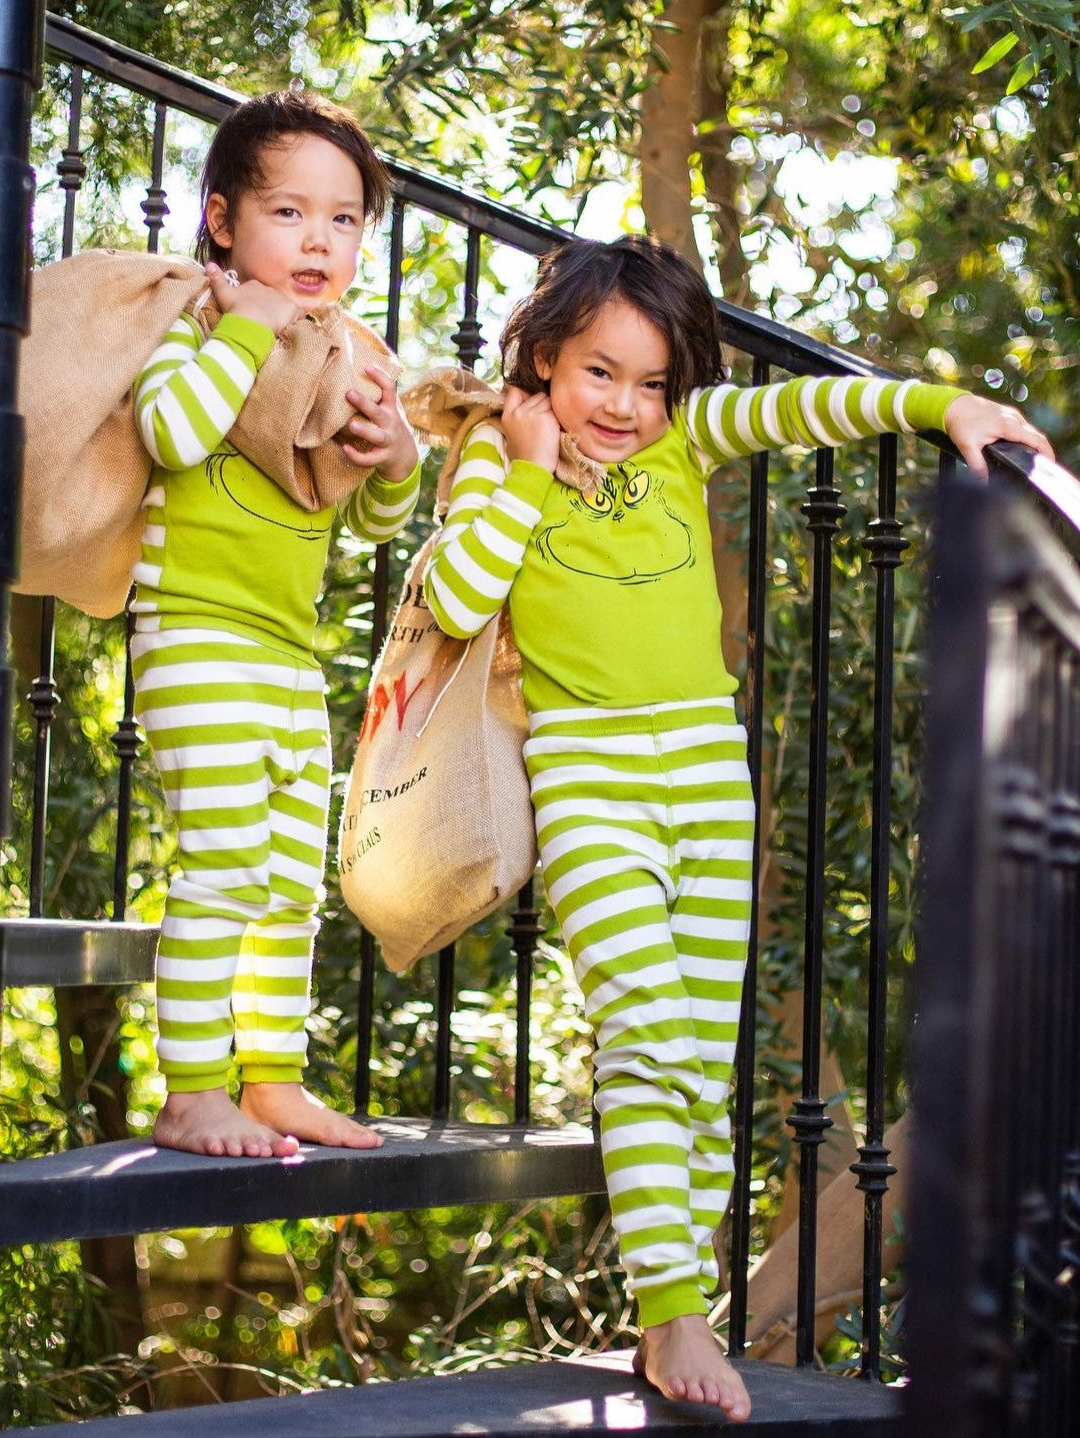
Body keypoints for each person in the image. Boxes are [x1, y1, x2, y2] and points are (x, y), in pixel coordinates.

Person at [421, 234, 1053, 1419]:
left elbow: (812, 404)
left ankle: (684, 1302)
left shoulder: (675, 451)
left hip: (710, 780)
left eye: (653, 382)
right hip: (586, 775)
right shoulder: (488, 462)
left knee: (702, 1059)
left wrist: (946, 400)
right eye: (599, 373)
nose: (625, 406)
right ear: (545, 360)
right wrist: (518, 467)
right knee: (645, 1029)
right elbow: (456, 598)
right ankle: (670, 1313)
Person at [130, 91, 421, 1161]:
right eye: (290, 213)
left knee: (290, 881)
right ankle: (191, 1088)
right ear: (221, 219)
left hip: (288, 657)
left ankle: (271, 1078)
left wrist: (395, 454)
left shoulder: (345, 356)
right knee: (221, 863)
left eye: (343, 220)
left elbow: (366, 510)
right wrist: (245, 326)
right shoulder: (193, 321)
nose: (319, 239)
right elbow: (170, 429)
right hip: (195, 634)